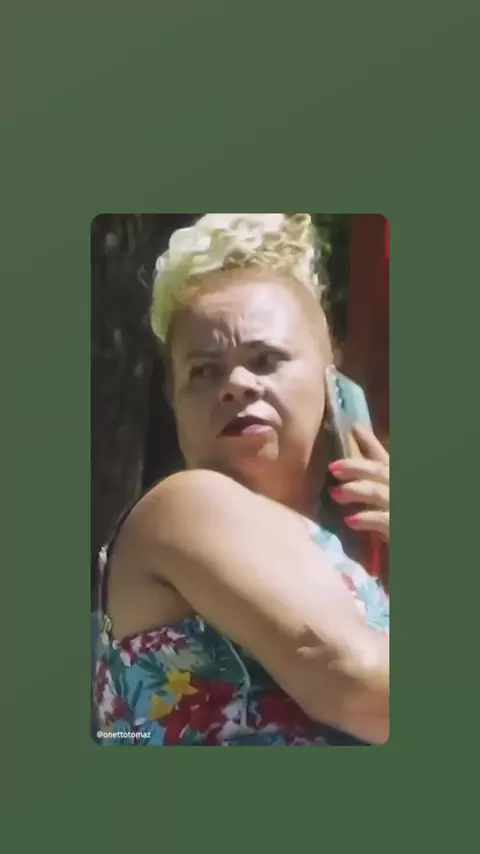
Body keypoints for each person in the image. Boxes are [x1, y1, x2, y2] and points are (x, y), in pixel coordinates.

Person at [92, 213, 390, 747]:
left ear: (333, 382)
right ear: (174, 400)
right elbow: (355, 682)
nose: (235, 384)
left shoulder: (331, 554)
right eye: (203, 370)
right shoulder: (185, 504)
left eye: (265, 359)